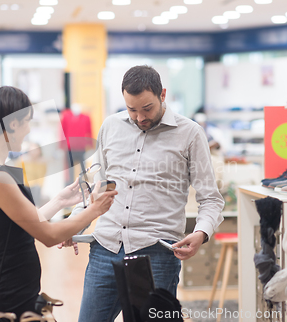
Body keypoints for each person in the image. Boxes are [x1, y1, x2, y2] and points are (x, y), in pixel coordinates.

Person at [65, 65, 225, 321]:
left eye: (147, 108)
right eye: (132, 110)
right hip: (105, 249)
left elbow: (211, 199)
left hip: (157, 255)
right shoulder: (110, 127)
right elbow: (98, 186)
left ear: (163, 94)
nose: (139, 117)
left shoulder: (190, 133)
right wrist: (74, 223)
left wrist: (201, 233)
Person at [0, 86, 117, 318]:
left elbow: (19, 223)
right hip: (8, 291)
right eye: (27, 122)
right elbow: (48, 236)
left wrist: (59, 201)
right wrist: (95, 210)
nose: (28, 131)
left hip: (8, 285)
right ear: (13, 124)